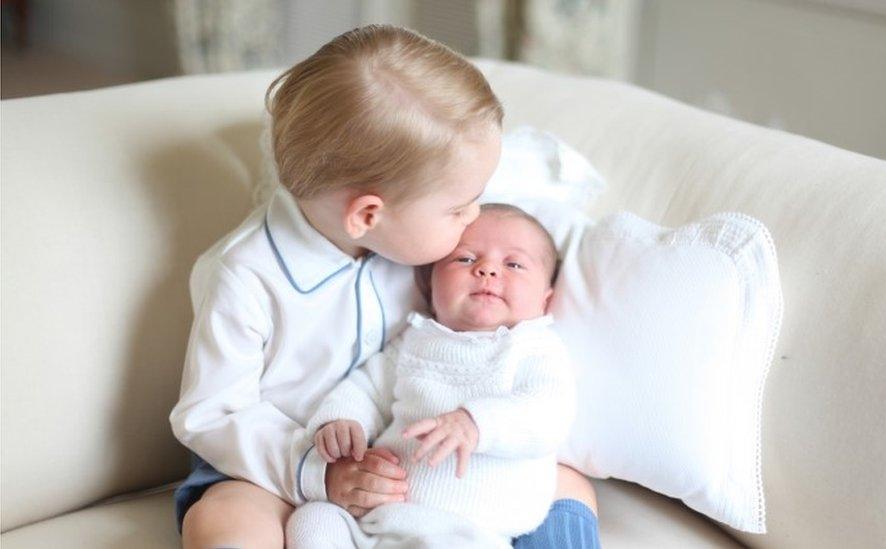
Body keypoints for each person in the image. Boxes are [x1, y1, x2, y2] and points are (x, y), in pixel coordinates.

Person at [170, 24, 598, 549]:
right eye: (459, 207)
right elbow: (211, 413)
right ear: (368, 214)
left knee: (569, 483)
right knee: (225, 524)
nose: (474, 216)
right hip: (274, 467)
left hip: (412, 464)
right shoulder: (245, 275)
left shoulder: (417, 236)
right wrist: (317, 473)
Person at [286, 204, 582, 548]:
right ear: (430, 285)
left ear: (545, 301)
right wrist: (341, 421)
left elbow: (549, 414)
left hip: (467, 534)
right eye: (465, 259)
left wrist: (476, 423)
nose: (487, 270)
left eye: (513, 264)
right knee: (313, 519)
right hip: (377, 522)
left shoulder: (535, 348)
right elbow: (367, 388)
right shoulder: (415, 340)